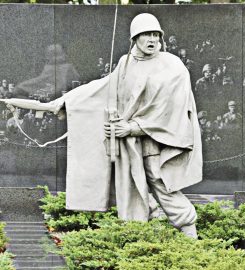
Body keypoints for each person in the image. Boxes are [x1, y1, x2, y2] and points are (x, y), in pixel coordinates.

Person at [2, 13, 202, 238]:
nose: (152, 39)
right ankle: (142, 234)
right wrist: (63, 102)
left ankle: (189, 234)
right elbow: (102, 88)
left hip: (157, 142)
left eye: (156, 34)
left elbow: (170, 108)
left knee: (161, 183)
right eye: (146, 34)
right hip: (129, 146)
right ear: (134, 38)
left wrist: (133, 128)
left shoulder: (172, 66)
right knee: (130, 188)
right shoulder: (126, 63)